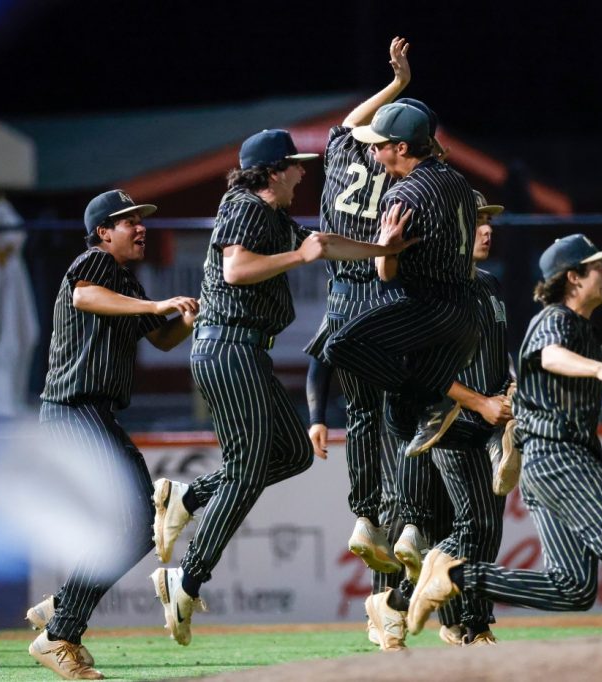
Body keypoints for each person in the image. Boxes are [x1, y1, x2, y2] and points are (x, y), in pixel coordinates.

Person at [148, 129, 414, 647]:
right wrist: (301, 258)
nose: (302, 172)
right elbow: (236, 267)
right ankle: (187, 577)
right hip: (228, 346)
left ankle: (188, 495)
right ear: (272, 172)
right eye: (293, 165)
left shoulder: (272, 215)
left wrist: (383, 246)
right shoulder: (245, 203)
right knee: (248, 470)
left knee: (292, 454)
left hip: (244, 349)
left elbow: (325, 245)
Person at [405, 234, 602, 635]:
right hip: (562, 458)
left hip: (544, 464)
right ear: (573, 278)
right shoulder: (557, 319)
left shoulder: (583, 331)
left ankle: (457, 577)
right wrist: (598, 370)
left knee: (572, 587)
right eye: (597, 268)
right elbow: (549, 354)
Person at [26, 189, 199, 680]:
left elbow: (162, 340)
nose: (141, 227)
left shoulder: (124, 279)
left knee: (141, 523)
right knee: (138, 517)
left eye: (141, 220)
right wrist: (158, 303)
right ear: (104, 232)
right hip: (72, 409)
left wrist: (184, 319)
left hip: (93, 412)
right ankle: (60, 633)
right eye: (129, 222)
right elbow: (84, 295)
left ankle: (64, 606)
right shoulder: (95, 262)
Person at [365, 191, 513, 649]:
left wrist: (507, 389)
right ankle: (401, 603)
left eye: (489, 220)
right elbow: (417, 365)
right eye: (476, 220)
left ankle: (471, 623)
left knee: (483, 525)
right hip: (448, 418)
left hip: (488, 418)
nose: (486, 228)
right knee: (472, 522)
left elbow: (493, 352)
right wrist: (479, 402)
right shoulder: (433, 287)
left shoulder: (487, 284)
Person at [304, 36, 422, 574]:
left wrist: (395, 84)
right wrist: (400, 88)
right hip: (384, 288)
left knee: (360, 413)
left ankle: (366, 516)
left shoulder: (341, 153)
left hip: (342, 296)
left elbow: (351, 122)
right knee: (407, 406)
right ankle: (413, 518)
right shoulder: (408, 176)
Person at [321, 102, 479, 460]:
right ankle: (488, 436)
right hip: (467, 314)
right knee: (398, 420)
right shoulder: (457, 180)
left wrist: (385, 249)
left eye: (379, 145)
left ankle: (435, 395)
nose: (373, 152)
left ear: (402, 148)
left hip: (429, 311)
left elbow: (385, 273)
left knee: (339, 346)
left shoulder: (401, 196)